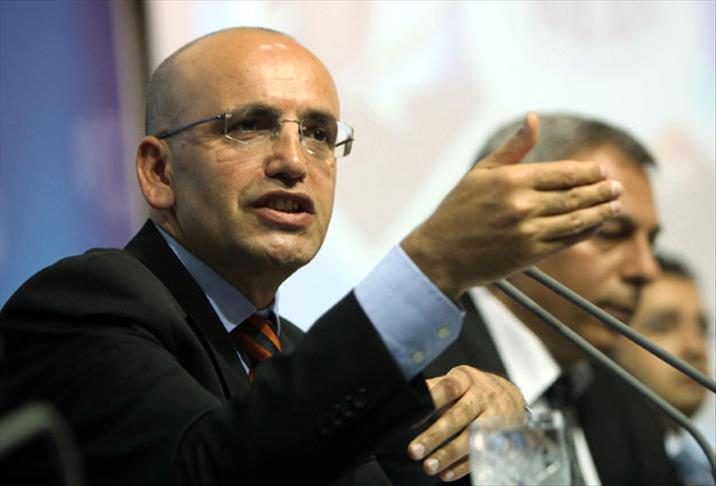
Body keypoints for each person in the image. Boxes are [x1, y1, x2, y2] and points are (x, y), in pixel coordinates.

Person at [0, 28, 623, 485]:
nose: (294, 162)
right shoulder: (85, 304)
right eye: (248, 125)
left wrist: (508, 441)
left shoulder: (296, 357)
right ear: (159, 172)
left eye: (320, 134)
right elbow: (211, 471)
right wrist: (430, 267)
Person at [378, 113, 683, 485]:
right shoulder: (413, 380)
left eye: (651, 243)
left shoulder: (632, 408)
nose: (646, 269)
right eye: (611, 233)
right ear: (508, 227)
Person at [613, 254, 714, 486]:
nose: (696, 348)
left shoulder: (702, 465)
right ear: (611, 340)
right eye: (663, 327)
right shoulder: (590, 460)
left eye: (702, 329)